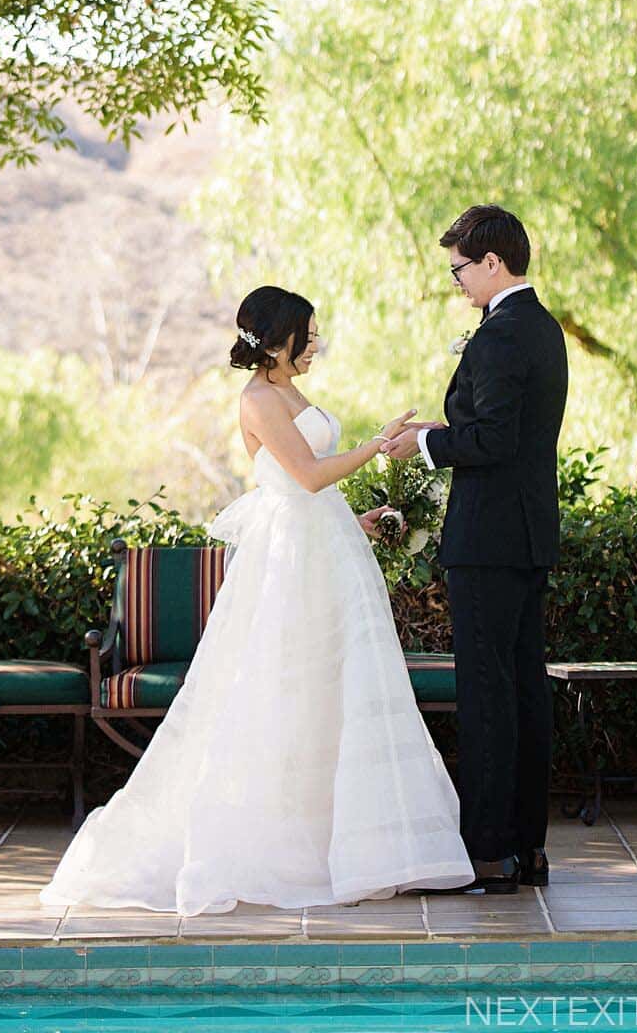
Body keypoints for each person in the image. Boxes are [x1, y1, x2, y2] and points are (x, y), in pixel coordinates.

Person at [39, 285, 474, 914]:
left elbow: (313, 492)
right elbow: (306, 475)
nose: (315, 344)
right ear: (276, 340)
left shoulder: (292, 393)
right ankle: (275, 850)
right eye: (307, 335)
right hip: (289, 564)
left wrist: (358, 520)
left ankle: (345, 845)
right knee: (281, 690)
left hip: (326, 549)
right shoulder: (259, 399)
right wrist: (379, 446)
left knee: (333, 693)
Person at [381, 205, 568, 895]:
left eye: (460, 268)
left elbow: (491, 442)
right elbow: (505, 429)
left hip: (487, 537)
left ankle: (488, 851)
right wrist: (447, 426)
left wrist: (423, 444)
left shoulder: (496, 337)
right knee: (522, 692)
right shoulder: (542, 328)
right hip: (527, 534)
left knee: (486, 697)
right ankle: (528, 847)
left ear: (493, 262)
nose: (456, 280)